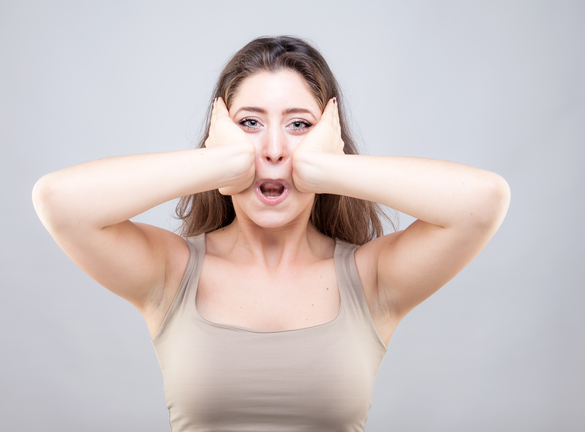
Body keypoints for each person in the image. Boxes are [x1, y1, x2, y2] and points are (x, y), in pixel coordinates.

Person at [32, 36, 510, 432]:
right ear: (220, 136)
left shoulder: (371, 279)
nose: (275, 148)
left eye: (300, 125)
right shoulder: (172, 272)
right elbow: (59, 201)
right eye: (250, 123)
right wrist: (221, 163)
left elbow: (483, 202)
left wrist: (325, 168)